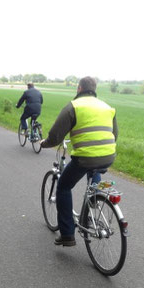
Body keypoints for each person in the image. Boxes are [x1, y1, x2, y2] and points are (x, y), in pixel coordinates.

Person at [40, 76, 118, 247]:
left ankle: (67, 234)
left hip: (84, 158)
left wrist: (44, 144)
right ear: (94, 89)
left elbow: (55, 136)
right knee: (94, 172)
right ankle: (93, 202)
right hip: (109, 155)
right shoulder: (106, 107)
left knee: (64, 186)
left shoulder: (74, 106)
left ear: (79, 88)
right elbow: (115, 135)